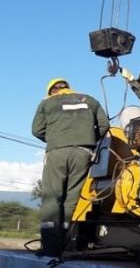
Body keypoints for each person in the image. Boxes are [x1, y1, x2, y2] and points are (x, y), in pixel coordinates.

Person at [31, 78, 110, 257]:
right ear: (68, 88)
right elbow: (104, 125)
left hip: (57, 152)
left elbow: (36, 130)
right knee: (71, 199)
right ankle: (63, 243)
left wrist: (55, 138)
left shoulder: (47, 102)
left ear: (52, 91)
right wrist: (88, 139)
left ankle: (50, 246)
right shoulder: (89, 100)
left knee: (52, 198)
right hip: (83, 153)